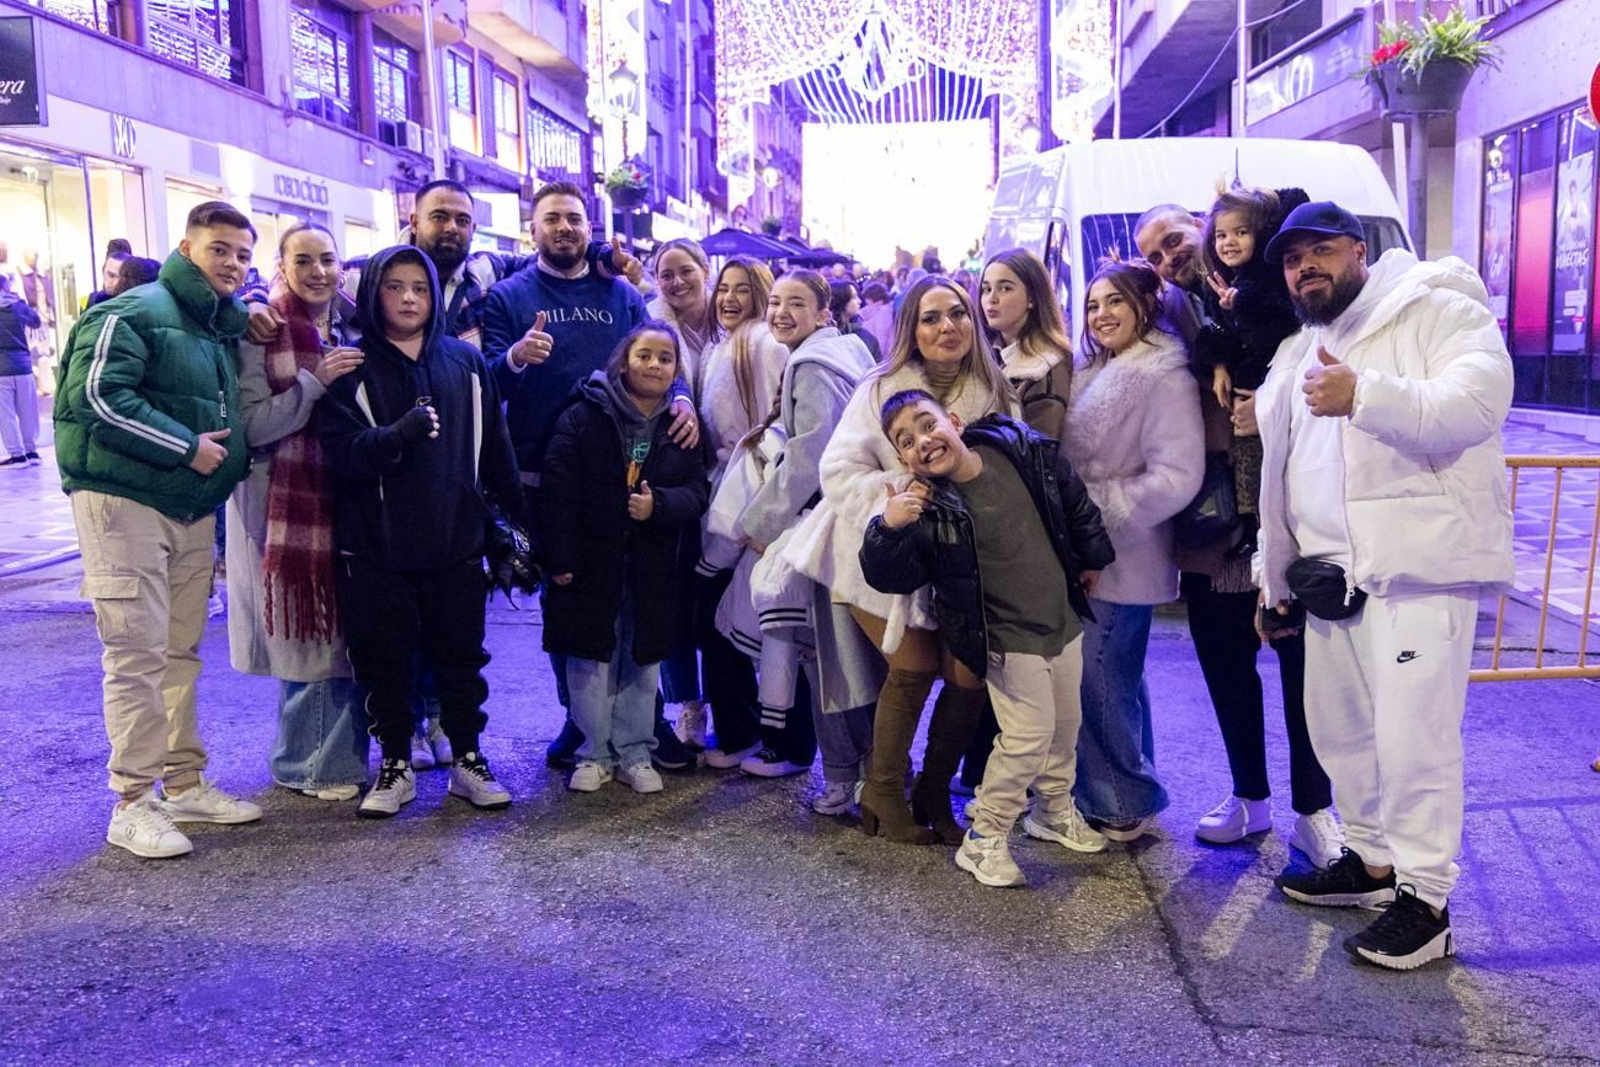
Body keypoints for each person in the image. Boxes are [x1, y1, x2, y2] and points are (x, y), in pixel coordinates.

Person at [1258, 202, 1514, 970]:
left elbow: (1475, 405)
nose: (1306, 267)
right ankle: (1370, 862)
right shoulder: (1303, 346)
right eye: (1292, 258)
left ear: (1359, 252)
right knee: (1342, 732)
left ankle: (1426, 901)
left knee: (1415, 743)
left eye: (1320, 251)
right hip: (1329, 579)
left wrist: (1365, 394)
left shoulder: (1437, 310)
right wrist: (1272, 578)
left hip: (1416, 571)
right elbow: (1282, 473)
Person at [53, 200, 261, 858]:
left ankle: (183, 782)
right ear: (187, 246)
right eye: (220, 248)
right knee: (137, 655)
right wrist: (184, 447)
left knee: (177, 653)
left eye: (242, 253)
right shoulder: (132, 310)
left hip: (187, 506)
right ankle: (131, 801)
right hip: (124, 500)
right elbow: (92, 396)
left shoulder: (214, 329)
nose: (232, 262)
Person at [1136, 203, 1340, 865]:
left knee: (1301, 665)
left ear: (1207, 228)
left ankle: (1315, 809)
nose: (1169, 259)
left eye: (1174, 240)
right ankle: (1250, 795)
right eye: (1155, 256)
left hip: (1281, 510)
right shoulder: (1167, 316)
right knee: (1224, 660)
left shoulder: (1266, 289)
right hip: (1206, 519)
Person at [787, 276, 1016, 843]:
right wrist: (906, 487)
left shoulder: (995, 389)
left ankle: (935, 792)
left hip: (960, 560)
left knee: (967, 676)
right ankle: (882, 796)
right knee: (912, 670)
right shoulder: (880, 387)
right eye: (931, 317)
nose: (947, 327)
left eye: (958, 314)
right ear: (911, 327)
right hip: (876, 552)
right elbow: (837, 473)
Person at [483, 181, 699, 772]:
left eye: (574, 219)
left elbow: (660, 354)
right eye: (552, 218)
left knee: (638, 600)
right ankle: (579, 722)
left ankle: (644, 722)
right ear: (534, 229)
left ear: (588, 226)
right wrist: (514, 359)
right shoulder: (507, 295)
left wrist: (680, 398)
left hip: (628, 469)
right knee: (569, 599)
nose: (564, 228)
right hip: (542, 475)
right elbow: (485, 382)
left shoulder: (622, 292)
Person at [861, 391, 1116, 886]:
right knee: (1026, 738)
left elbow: (1071, 498)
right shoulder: (927, 508)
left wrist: (1092, 556)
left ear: (953, 421)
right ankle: (985, 838)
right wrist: (887, 529)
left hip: (1060, 619)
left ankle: (1053, 812)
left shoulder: (1017, 448)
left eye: (927, 425)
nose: (923, 442)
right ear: (902, 459)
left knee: (1065, 726)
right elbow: (888, 575)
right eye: (906, 441)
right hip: (1004, 637)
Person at [318, 245, 526, 819]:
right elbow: (343, 457)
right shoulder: (350, 368)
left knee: (462, 662)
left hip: (456, 542)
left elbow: (496, 455)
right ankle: (394, 764)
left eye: (420, 287)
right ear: (373, 294)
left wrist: (515, 528)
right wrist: (397, 436)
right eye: (395, 287)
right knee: (384, 662)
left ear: (435, 295)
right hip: (376, 546)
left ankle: (467, 759)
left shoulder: (465, 363)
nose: (409, 297)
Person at [1060, 261, 1204, 843]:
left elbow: (1178, 475)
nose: (1102, 315)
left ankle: (1119, 799)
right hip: (1093, 547)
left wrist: (1100, 506)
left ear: (1148, 304)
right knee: (1116, 678)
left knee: (1100, 679)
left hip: (1126, 551)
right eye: (1094, 305)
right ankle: (1123, 786)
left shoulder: (1164, 376)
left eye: (1115, 301)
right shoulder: (1096, 367)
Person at [225, 222, 368, 802]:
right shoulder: (263, 330)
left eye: (326, 259)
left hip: (348, 498)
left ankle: (335, 758)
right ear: (281, 267)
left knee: (346, 637)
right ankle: (309, 765)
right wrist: (313, 382)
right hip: (283, 505)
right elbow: (254, 425)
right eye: (302, 260)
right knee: (307, 639)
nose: (317, 271)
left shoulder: (359, 323)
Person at [724, 269, 880, 794]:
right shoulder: (847, 351)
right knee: (847, 657)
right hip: (851, 520)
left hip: (821, 525)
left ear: (823, 314)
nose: (780, 313)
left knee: (824, 660)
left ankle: (844, 778)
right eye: (774, 303)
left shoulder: (812, 363)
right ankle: (866, 773)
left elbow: (808, 456)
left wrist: (759, 525)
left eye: (796, 304)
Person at [541, 323, 710, 793]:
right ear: (623, 360)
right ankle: (594, 752)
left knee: (642, 661)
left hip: (651, 566)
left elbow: (698, 492)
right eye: (644, 355)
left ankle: (636, 752)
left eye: (665, 358)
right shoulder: (584, 415)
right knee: (590, 659)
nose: (654, 365)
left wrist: (660, 507)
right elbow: (558, 490)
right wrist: (559, 556)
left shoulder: (681, 428)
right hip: (591, 562)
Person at [683, 256, 783, 757]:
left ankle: (746, 733)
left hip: (747, 505)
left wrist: (767, 512)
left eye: (742, 289)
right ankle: (743, 729)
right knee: (721, 621)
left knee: (724, 622)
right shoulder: (720, 346)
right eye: (723, 288)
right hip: (722, 500)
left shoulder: (761, 344)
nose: (729, 299)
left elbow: (776, 431)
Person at [644, 238, 715, 746]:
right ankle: (689, 704)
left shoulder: (733, 317)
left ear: (703, 270)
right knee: (675, 597)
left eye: (684, 270)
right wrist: (682, 397)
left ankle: (735, 699)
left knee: (719, 600)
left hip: (735, 474)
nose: (676, 281)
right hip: (679, 472)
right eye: (666, 273)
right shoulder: (653, 322)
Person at [980, 249, 1074, 443]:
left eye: (1005, 288)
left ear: (1032, 298)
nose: (992, 298)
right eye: (986, 289)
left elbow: (1039, 454)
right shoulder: (988, 354)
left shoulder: (1046, 367)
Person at [0, 273, 42, 468]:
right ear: (6, 287)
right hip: (24, 366)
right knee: (28, 412)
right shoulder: (17, 305)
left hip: (1, 370)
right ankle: (31, 451)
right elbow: (36, 321)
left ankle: (17, 456)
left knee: (5, 414)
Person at [829, 280, 882, 361]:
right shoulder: (825, 336)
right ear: (841, 300)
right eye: (854, 297)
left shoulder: (867, 337)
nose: (859, 301)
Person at [87, 240, 133, 307]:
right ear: (103, 271)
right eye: (111, 275)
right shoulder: (88, 301)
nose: (116, 282)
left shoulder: (137, 303)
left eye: (123, 276)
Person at [858, 282, 895, 359]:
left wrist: (878, 359)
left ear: (873, 297)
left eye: (867, 298)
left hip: (879, 357)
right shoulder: (871, 310)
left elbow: (882, 337)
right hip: (871, 352)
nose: (865, 300)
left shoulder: (884, 312)